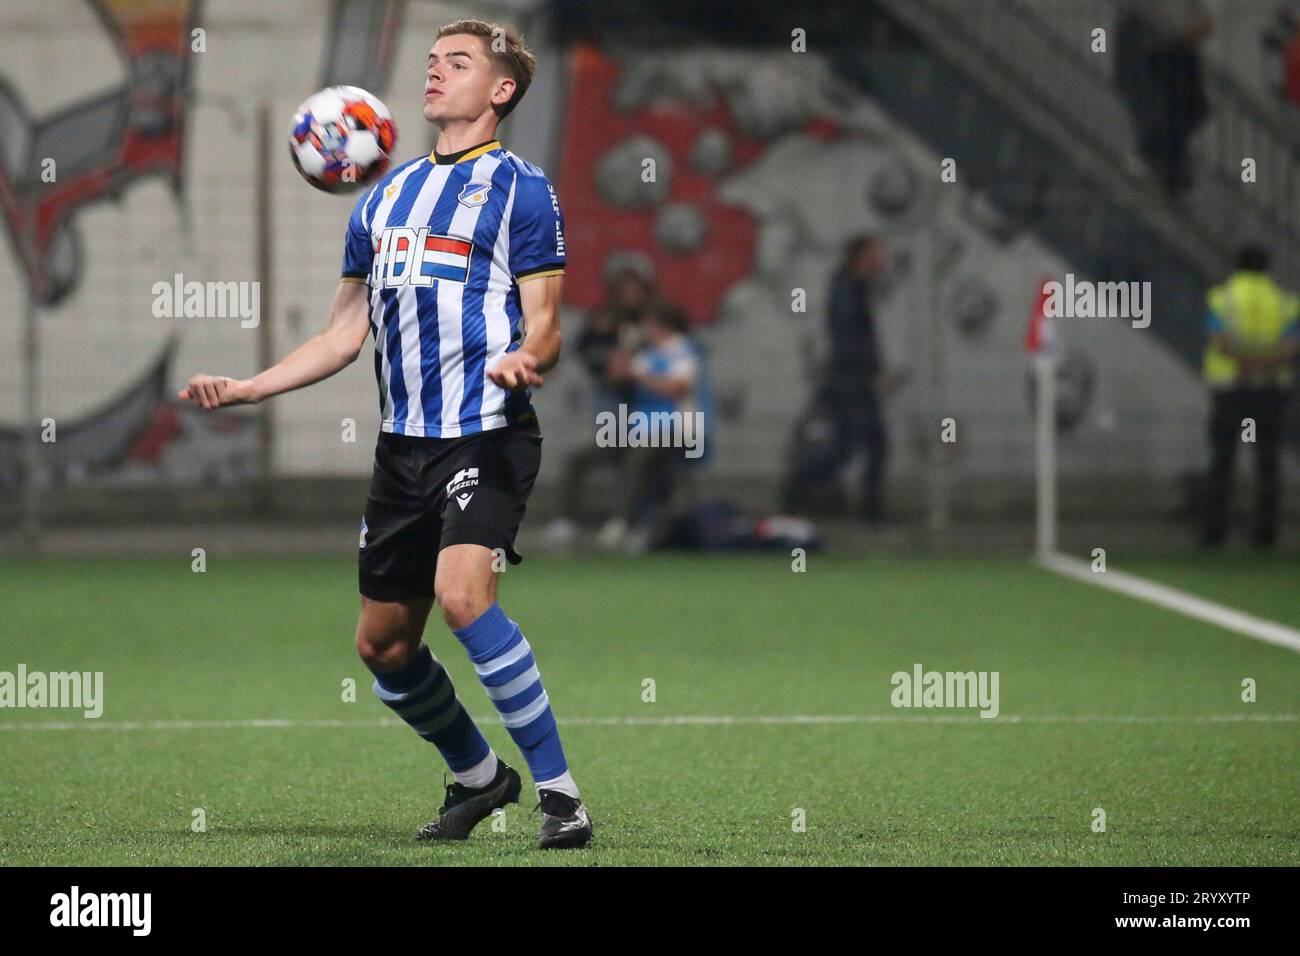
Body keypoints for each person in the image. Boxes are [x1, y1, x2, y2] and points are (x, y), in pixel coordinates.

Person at [177, 19, 592, 849]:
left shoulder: (522, 189)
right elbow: (342, 335)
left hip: (487, 433)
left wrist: (525, 356)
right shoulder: (384, 197)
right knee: (383, 648)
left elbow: (547, 324)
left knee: (464, 595)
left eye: (459, 63)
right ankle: (481, 779)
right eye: (433, 61)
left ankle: (560, 796)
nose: (435, 72)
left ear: (502, 90)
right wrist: (253, 386)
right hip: (404, 451)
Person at [783, 235, 891, 522]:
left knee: (844, 449)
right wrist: (872, 373)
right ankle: (870, 513)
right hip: (851, 383)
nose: (881, 261)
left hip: (844, 381)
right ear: (859, 257)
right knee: (875, 445)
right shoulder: (848, 290)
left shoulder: (850, 287)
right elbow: (850, 340)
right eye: (875, 254)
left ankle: (796, 486)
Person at [1201, 245, 1300, 548]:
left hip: (1232, 390)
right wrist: (1264, 365)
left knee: (1222, 460)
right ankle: (1265, 535)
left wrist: (1245, 363)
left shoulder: (1223, 297)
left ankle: (1215, 533)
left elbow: (1219, 340)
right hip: (1269, 391)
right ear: (1268, 266)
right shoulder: (1284, 302)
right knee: (1267, 462)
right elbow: (1291, 344)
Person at [1114, 0, 1211, 196]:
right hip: (1154, 44)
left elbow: (1201, 23)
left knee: (1174, 109)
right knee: (1158, 106)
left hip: (1172, 48)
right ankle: (1161, 160)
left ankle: (1168, 164)